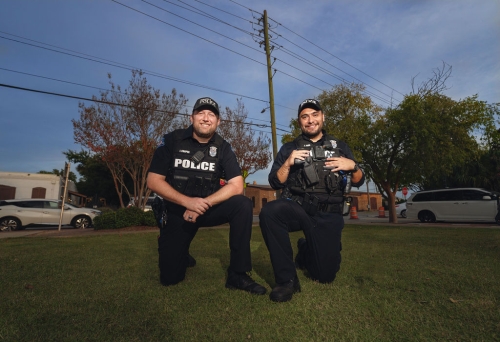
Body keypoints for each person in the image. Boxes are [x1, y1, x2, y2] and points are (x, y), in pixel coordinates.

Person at [147, 97, 266, 295]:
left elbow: (236, 185)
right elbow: (153, 180)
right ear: (191, 117)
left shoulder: (223, 147)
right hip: (178, 210)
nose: (206, 118)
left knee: (242, 204)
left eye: (211, 114)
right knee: (170, 279)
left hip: (206, 208)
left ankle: (238, 273)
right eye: (201, 113)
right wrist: (187, 202)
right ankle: (179, 251)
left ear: (218, 122)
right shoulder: (172, 140)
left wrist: (204, 203)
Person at [259, 99, 365, 302]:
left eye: (315, 115)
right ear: (299, 122)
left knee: (325, 276)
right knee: (270, 212)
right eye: (304, 116)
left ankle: (306, 248)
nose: (310, 120)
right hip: (299, 208)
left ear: (323, 117)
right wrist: (288, 163)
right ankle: (287, 280)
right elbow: (274, 182)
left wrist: (353, 166)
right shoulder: (290, 148)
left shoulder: (340, 146)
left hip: (329, 213)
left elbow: (359, 181)